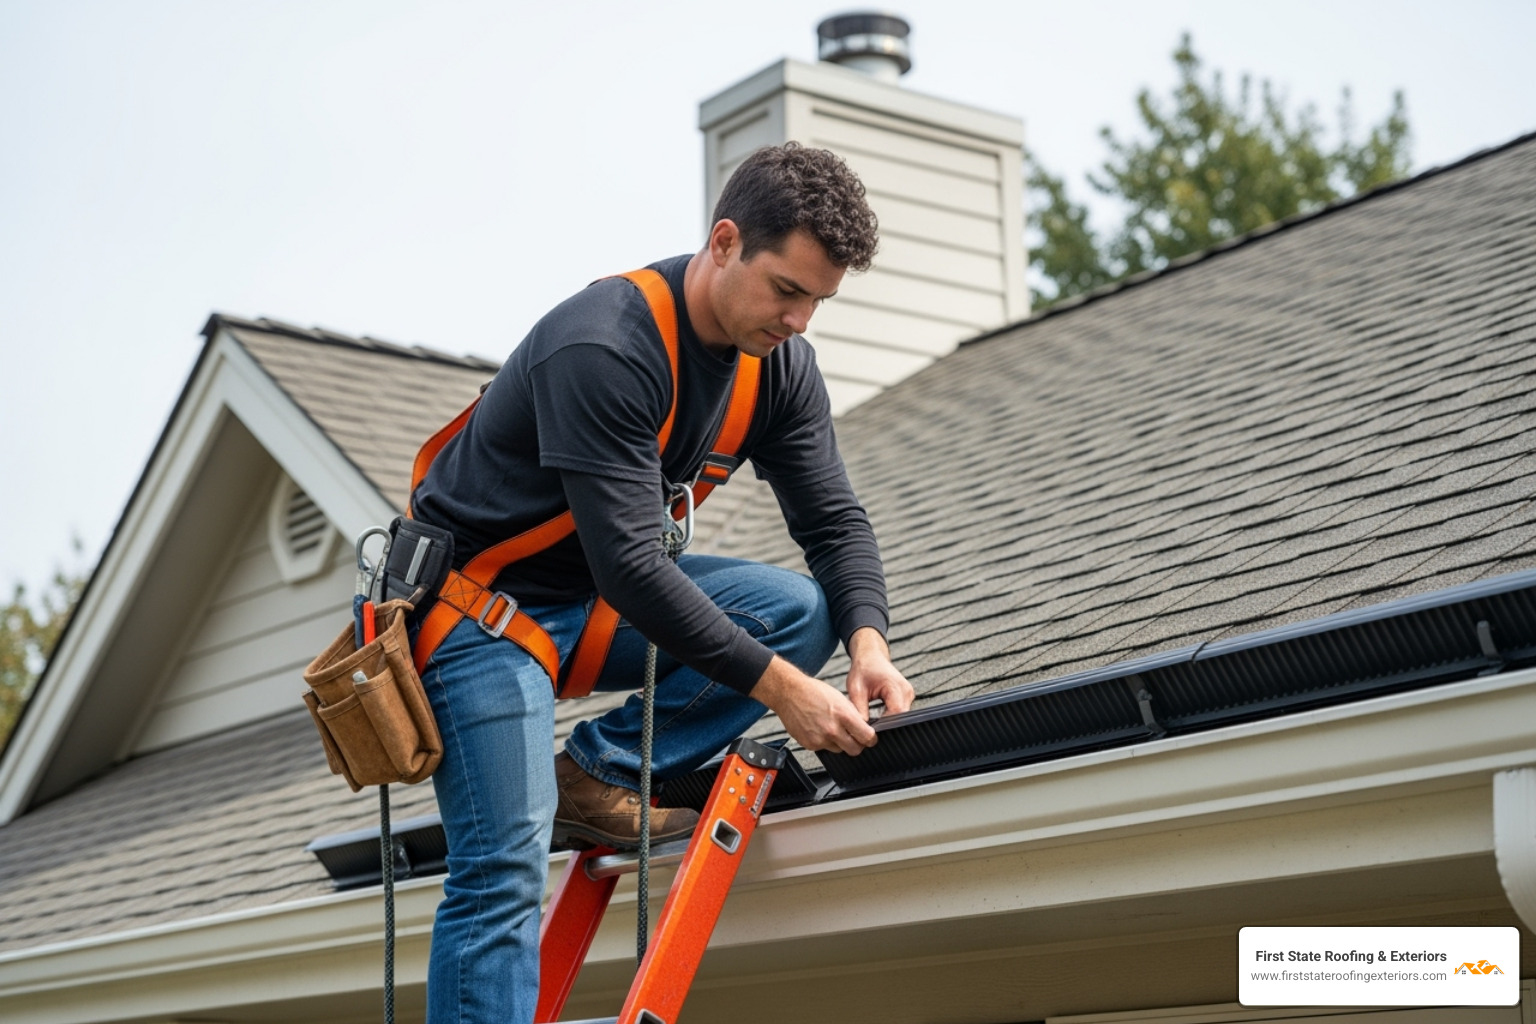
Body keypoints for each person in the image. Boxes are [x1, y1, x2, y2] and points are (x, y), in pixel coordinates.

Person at [409, 142, 913, 1024]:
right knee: (503, 873)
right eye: (787, 291)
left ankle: (594, 774)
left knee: (801, 611)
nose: (799, 321)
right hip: (481, 617)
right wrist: (782, 692)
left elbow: (833, 521)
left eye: (819, 302)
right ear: (724, 243)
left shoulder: (780, 367)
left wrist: (868, 640)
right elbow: (635, 568)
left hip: (590, 607)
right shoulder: (605, 346)